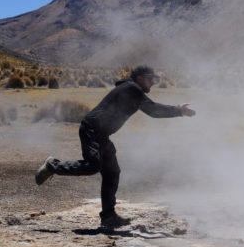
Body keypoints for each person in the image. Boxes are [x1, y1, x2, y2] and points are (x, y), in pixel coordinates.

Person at [35, 65, 195, 227]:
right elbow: (153, 110)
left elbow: (151, 110)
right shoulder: (132, 88)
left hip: (102, 134)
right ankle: (53, 165)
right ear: (139, 78)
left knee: (112, 172)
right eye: (150, 79)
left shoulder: (133, 90)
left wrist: (178, 111)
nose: (152, 83)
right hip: (92, 129)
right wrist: (178, 110)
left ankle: (108, 216)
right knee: (92, 166)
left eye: (154, 80)